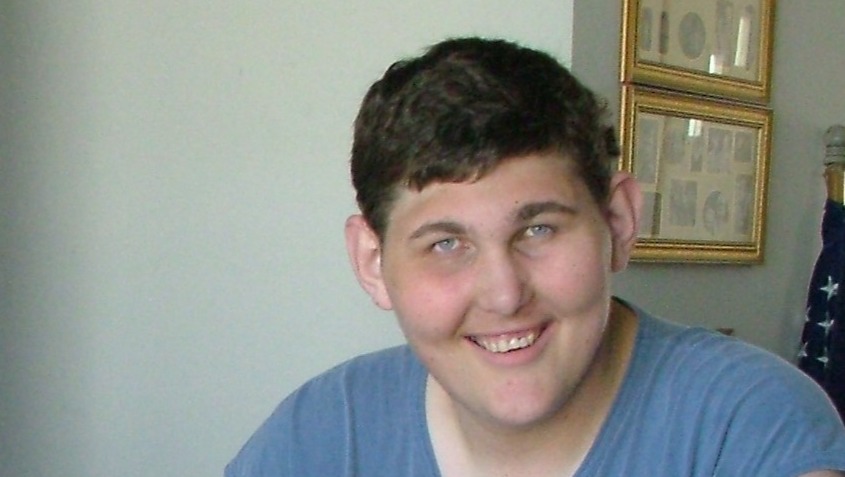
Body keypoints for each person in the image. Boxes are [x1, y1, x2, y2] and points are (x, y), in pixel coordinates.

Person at [225, 37, 845, 476]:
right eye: (446, 244)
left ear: (618, 222)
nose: (504, 295)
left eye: (539, 229)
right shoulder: (321, 432)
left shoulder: (751, 427)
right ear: (372, 262)